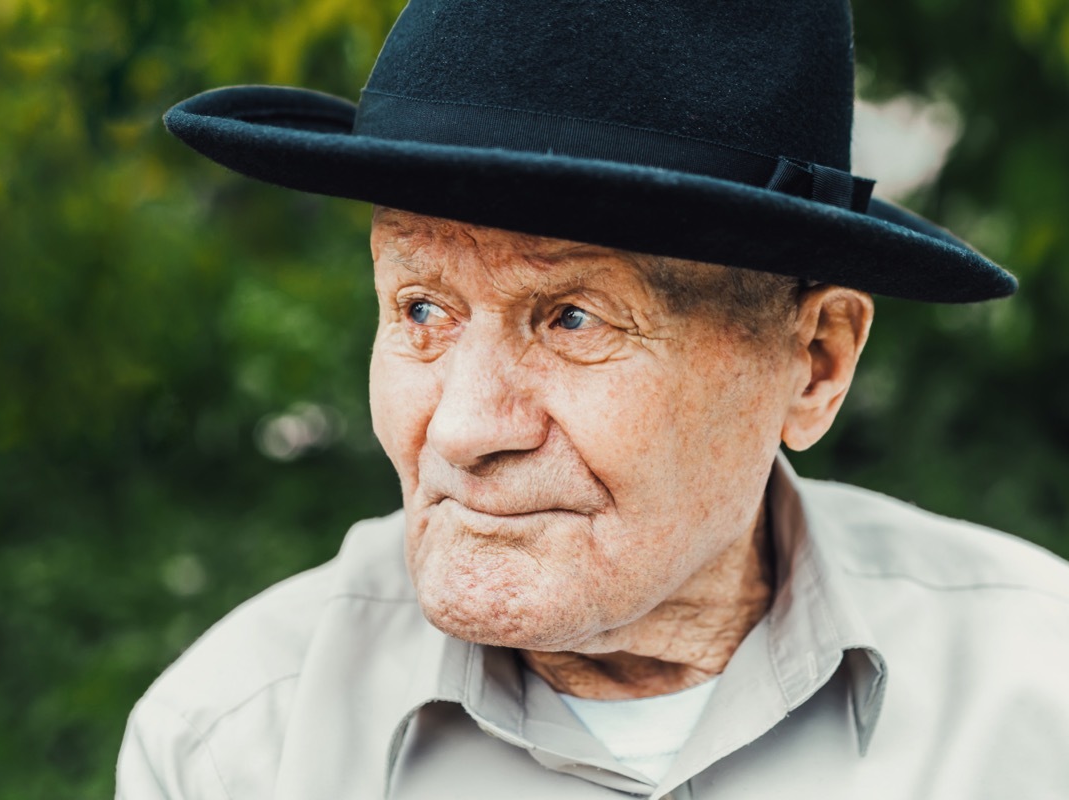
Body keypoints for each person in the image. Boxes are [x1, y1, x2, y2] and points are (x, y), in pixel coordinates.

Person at [117, 1, 1069, 797]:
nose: (464, 428)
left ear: (815, 363)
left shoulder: (1037, 693)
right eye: (421, 308)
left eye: (573, 319)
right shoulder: (233, 746)